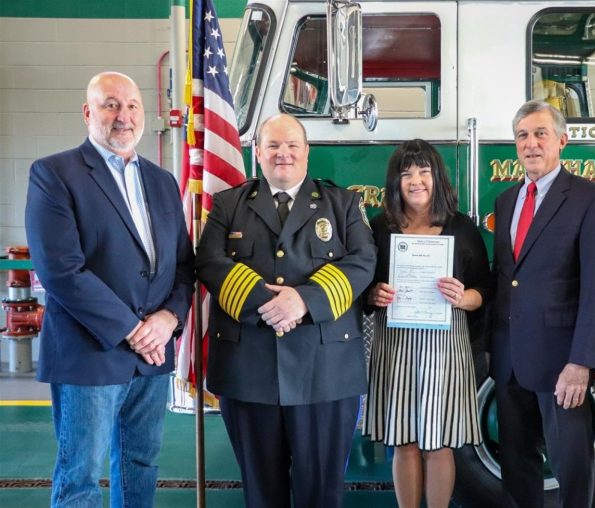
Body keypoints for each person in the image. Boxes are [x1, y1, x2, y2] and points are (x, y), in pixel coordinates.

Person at [24, 71, 195, 507]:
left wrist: (168, 319)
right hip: (90, 354)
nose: (124, 116)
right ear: (88, 113)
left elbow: (183, 265)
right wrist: (134, 330)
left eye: (133, 105)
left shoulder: (161, 181)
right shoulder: (54, 174)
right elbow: (61, 270)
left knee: (140, 466)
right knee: (80, 476)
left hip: (153, 356)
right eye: (111, 104)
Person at [195, 113, 376, 508]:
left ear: (307, 152)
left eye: (292, 145)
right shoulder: (229, 205)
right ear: (256, 152)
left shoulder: (343, 203)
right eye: (273, 145)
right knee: (262, 495)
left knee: (321, 495)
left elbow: (363, 262)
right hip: (250, 372)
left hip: (324, 375)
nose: (283, 154)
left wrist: (303, 301)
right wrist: (270, 304)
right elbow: (209, 261)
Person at [489, 100, 595, 507]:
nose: (531, 144)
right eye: (522, 136)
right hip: (510, 360)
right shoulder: (506, 201)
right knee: (516, 463)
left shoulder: (591, 199)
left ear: (562, 140)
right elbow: (507, 278)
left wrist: (582, 363)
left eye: (540, 134)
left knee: (571, 465)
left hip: (562, 363)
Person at [363, 139, 492, 508]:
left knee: (438, 442)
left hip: (445, 347)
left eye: (424, 171)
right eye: (406, 173)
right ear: (395, 182)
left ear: (437, 177)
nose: (415, 180)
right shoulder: (380, 228)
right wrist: (374, 295)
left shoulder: (462, 228)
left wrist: (463, 297)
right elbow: (362, 288)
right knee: (405, 442)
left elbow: (486, 287)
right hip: (396, 345)